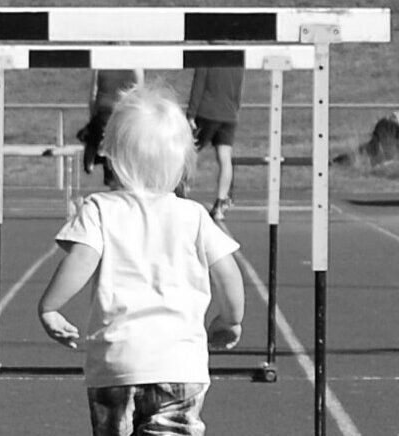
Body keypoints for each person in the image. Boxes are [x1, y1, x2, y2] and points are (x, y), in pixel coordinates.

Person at [38, 84, 245, 436]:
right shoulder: (194, 215)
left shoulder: (100, 209)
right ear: (182, 162)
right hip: (180, 365)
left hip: (116, 365)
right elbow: (228, 274)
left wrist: (50, 307)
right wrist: (231, 319)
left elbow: (81, 260)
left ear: (113, 156)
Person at [186, 67, 245, 220]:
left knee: (188, 151)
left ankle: (181, 189)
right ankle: (220, 203)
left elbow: (198, 85)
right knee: (225, 157)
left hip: (207, 112)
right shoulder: (236, 60)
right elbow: (238, 87)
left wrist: (191, 114)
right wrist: (234, 109)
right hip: (229, 114)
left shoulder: (207, 57)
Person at [79, 69, 144, 188]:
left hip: (104, 113)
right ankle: (115, 176)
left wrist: (93, 117)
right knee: (123, 152)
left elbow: (93, 96)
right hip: (125, 114)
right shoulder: (136, 64)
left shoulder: (100, 64)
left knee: (104, 139)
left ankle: (95, 156)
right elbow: (139, 93)